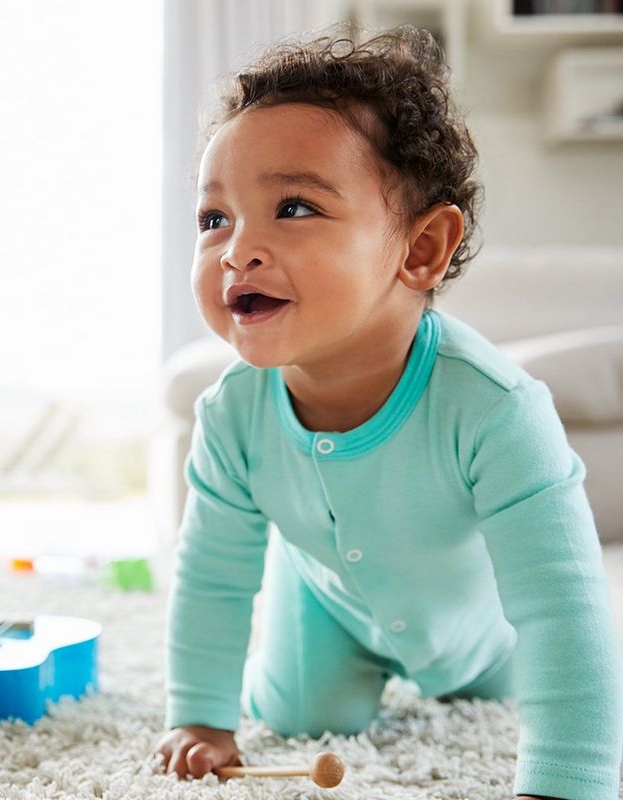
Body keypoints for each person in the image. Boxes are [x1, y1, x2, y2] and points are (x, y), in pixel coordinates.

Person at [155, 22, 623, 800]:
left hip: (483, 625)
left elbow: (561, 602)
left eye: (294, 207)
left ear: (422, 250)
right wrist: (200, 715)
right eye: (215, 219)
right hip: (325, 606)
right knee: (306, 715)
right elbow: (209, 577)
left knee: (504, 685)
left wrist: (570, 776)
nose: (238, 249)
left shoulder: (497, 409)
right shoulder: (232, 415)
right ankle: (320, 637)